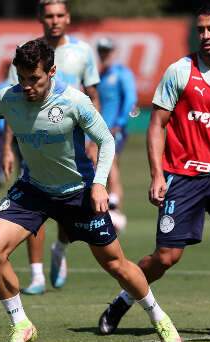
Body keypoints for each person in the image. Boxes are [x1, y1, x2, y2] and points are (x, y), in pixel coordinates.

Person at [0, 39, 182, 342]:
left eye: (35, 79)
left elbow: (106, 141)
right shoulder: (8, 97)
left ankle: (161, 320)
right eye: (22, 78)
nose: (28, 86)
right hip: (33, 190)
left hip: (77, 193)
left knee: (116, 265)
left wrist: (99, 184)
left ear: (52, 72)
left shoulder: (75, 101)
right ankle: (21, 324)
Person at [97, 3, 210, 337]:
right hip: (182, 177)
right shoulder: (180, 71)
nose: (205, 35)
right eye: (201, 29)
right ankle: (122, 301)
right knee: (166, 258)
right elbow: (156, 125)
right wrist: (157, 175)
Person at [3, 0, 101, 295]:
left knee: (67, 204)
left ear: (67, 18)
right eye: (49, 16)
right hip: (34, 138)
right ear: (40, 18)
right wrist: (8, 147)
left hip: (72, 142)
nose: (54, 21)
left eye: (59, 15)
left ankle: (60, 247)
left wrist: (95, 140)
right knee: (35, 199)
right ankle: (36, 275)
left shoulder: (83, 52)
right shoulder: (26, 53)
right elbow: (13, 103)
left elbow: (93, 95)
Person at [93, 36, 138, 231]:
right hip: (100, 130)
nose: (104, 55)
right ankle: (112, 206)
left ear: (114, 52)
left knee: (108, 163)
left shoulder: (122, 73)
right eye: (101, 51)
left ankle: (115, 206)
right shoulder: (100, 75)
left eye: (107, 51)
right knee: (107, 165)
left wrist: (120, 123)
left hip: (114, 129)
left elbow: (130, 99)